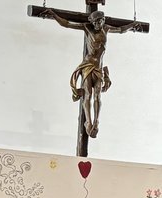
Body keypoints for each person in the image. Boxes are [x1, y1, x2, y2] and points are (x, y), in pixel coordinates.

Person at [43, 9, 142, 137]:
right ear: (92, 22)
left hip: (98, 68)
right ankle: (88, 122)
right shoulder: (87, 28)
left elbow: (121, 30)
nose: (97, 24)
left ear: (103, 20)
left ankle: (96, 121)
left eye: (99, 21)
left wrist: (132, 25)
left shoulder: (106, 29)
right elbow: (67, 24)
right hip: (88, 65)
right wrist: (53, 15)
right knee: (88, 94)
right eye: (95, 22)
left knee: (98, 95)